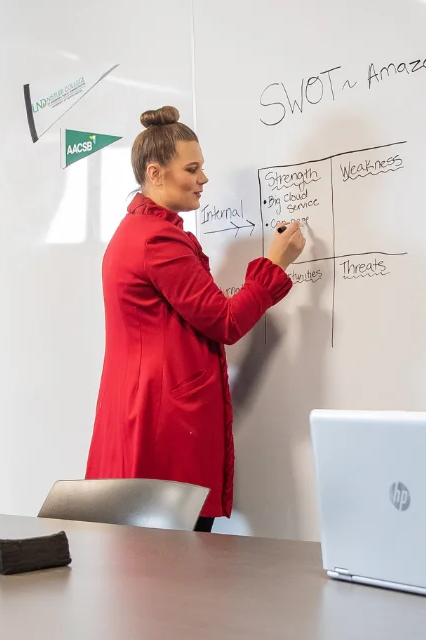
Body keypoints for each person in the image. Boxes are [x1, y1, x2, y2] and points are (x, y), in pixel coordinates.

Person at [85, 106, 308, 533]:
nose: (203, 178)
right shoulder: (158, 240)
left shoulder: (135, 231)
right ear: (155, 173)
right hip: (163, 424)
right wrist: (274, 265)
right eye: (192, 168)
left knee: (152, 567)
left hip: (142, 413)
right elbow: (224, 322)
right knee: (173, 566)